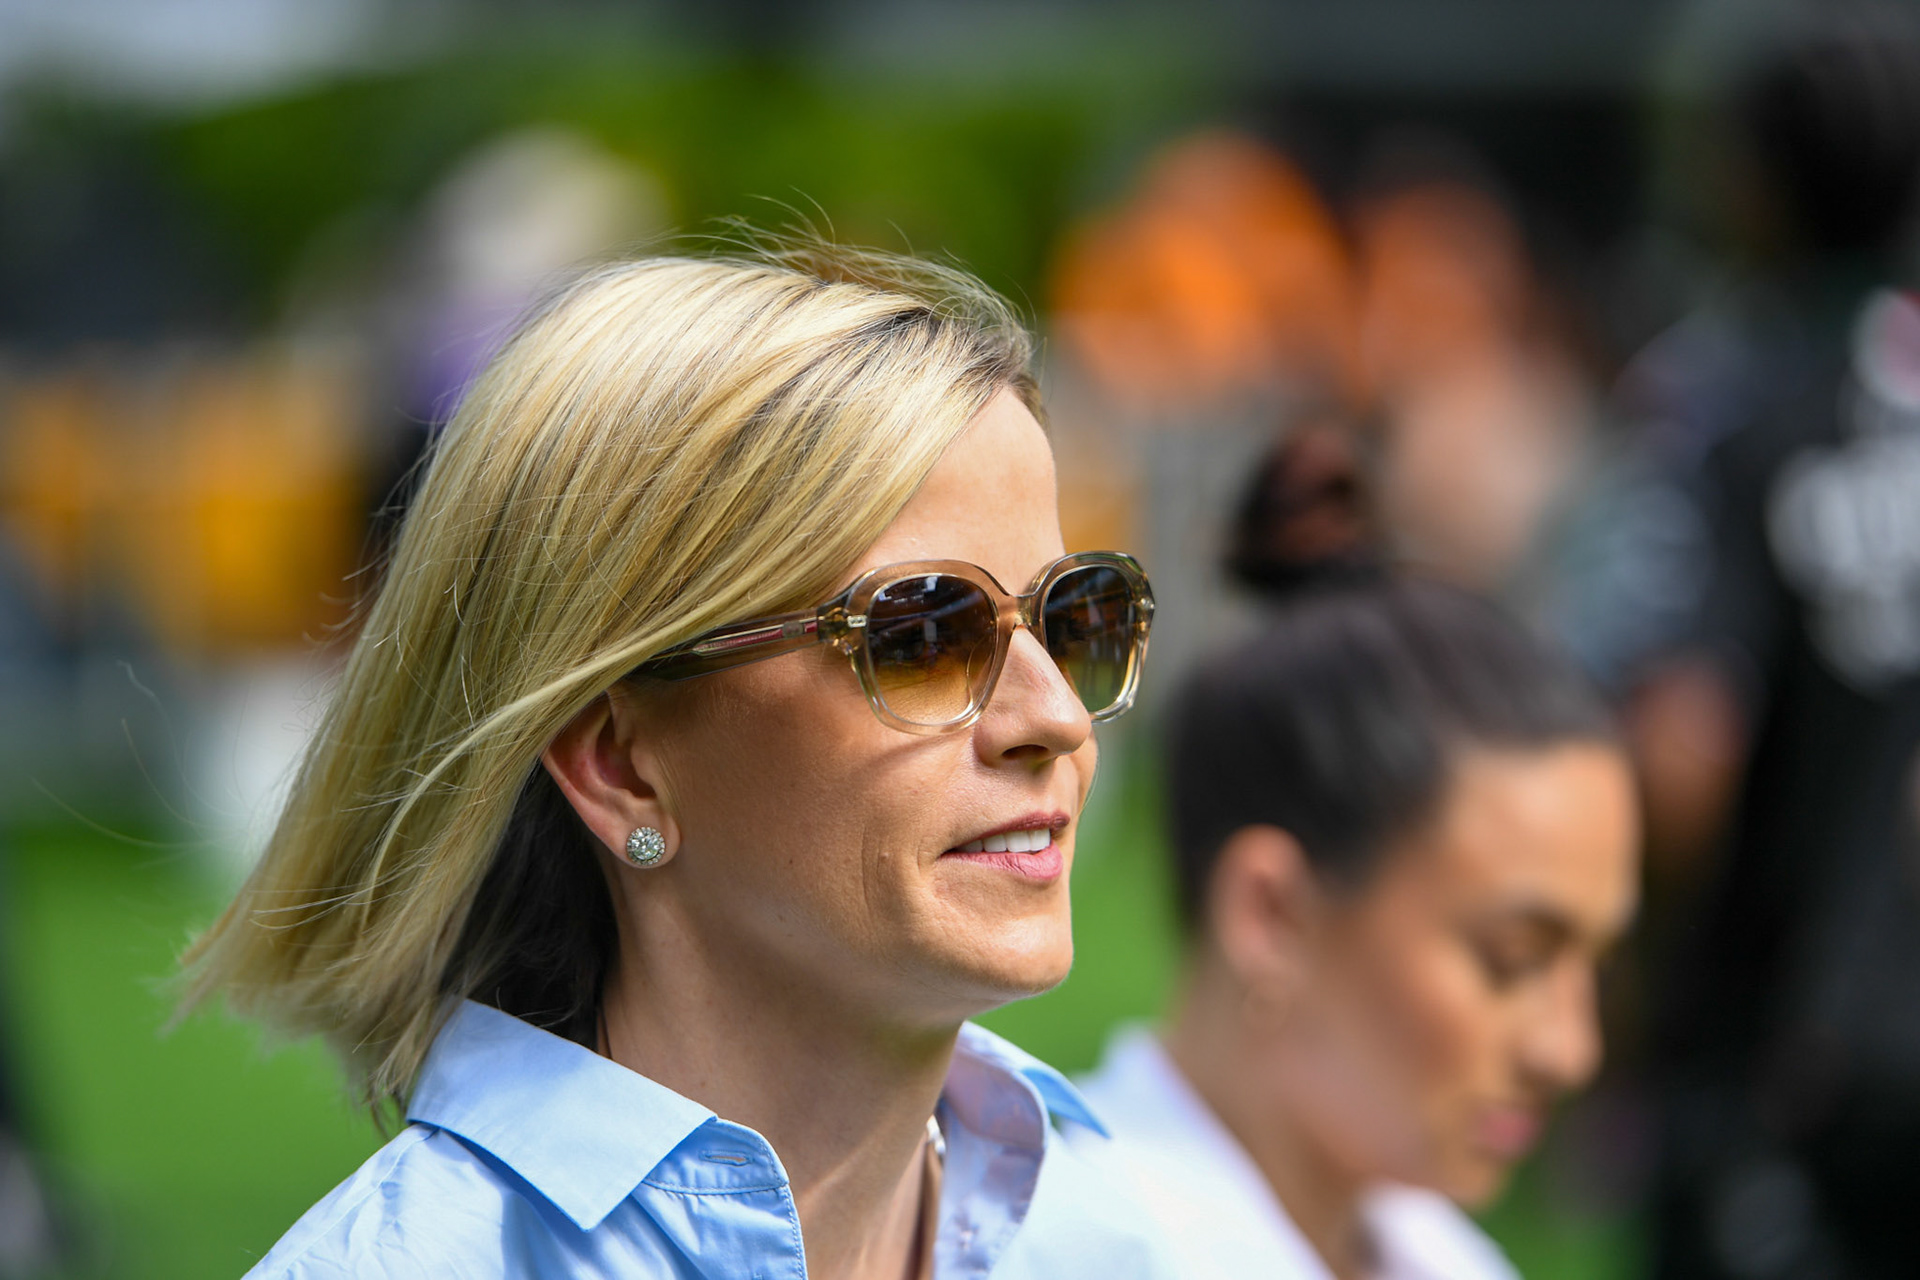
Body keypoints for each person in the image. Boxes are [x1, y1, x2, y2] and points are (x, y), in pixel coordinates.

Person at [180, 243, 1170, 1279]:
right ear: (620, 765)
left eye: (1075, 614)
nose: (1056, 713)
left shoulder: (1111, 1237)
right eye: (921, 634)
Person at [1073, 439, 1640, 1280]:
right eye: (1513, 959)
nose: (1569, 1049)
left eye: (1593, 963)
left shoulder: (1440, 1254)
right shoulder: (1064, 1246)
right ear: (1271, 913)